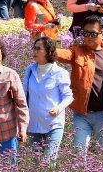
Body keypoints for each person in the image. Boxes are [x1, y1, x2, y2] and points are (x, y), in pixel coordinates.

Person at [56, 16, 103, 157]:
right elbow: (60, 54)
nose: (88, 37)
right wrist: (49, 41)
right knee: (78, 152)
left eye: (93, 33)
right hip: (82, 114)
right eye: (85, 33)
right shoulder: (77, 51)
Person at [23, 37, 73, 165]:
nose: (35, 51)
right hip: (34, 123)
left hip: (54, 123)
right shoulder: (29, 70)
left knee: (49, 161)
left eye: (38, 48)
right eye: (34, 48)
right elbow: (24, 94)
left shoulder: (60, 73)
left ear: (48, 51)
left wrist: (58, 108)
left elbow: (68, 96)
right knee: (36, 162)